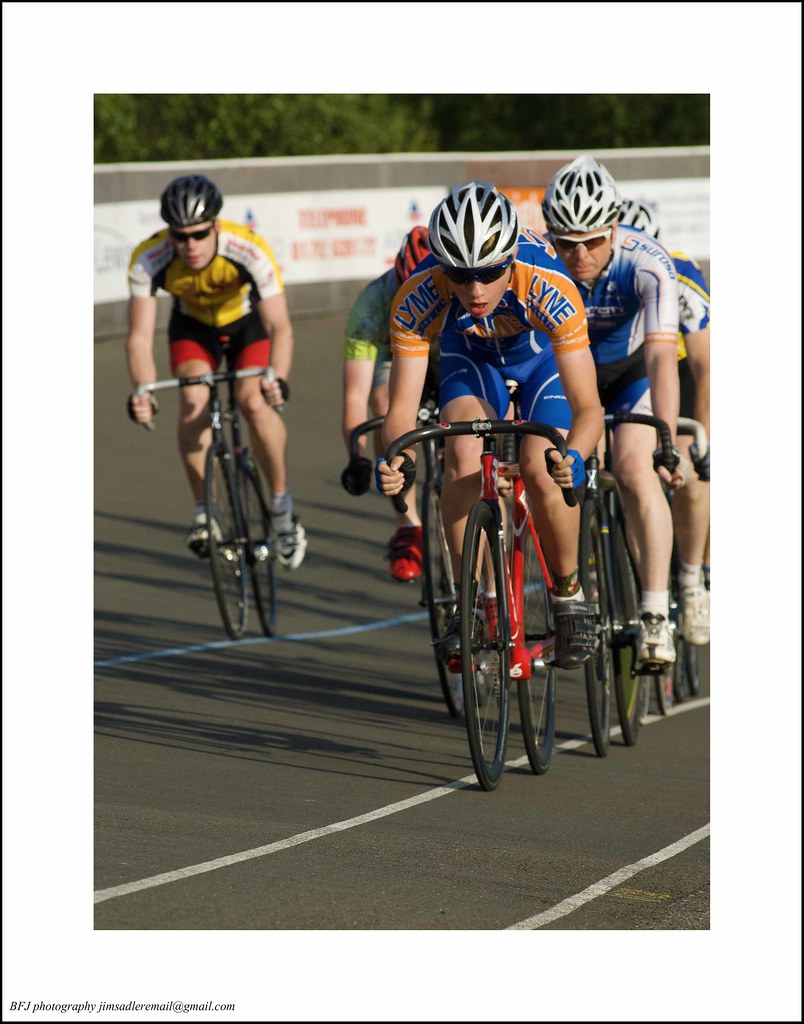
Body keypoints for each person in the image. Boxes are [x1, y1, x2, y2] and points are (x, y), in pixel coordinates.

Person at [377, 181, 604, 670]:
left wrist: (573, 456)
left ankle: (568, 596)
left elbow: (589, 408)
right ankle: (472, 602)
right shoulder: (417, 295)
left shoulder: (547, 283)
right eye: (460, 275)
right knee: (459, 454)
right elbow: (402, 410)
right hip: (473, 362)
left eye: (489, 272)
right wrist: (399, 459)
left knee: (542, 466)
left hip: (540, 363)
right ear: (441, 266)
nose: (475, 290)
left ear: (510, 259)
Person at [542, 155, 685, 669]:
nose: (578, 255)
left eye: (593, 241)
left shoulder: (647, 262)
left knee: (632, 467)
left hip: (629, 374)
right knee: (556, 468)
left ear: (615, 229)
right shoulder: (536, 259)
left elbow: (661, 357)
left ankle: (652, 614)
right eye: (565, 243)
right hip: (564, 374)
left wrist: (665, 437)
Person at [125, 173, 307, 570]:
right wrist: (143, 390)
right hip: (193, 328)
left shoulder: (249, 248)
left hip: (246, 325)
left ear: (217, 227)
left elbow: (280, 327)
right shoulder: (149, 257)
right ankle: (205, 512)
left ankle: (281, 508)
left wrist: (278, 378)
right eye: (180, 236)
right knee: (192, 399)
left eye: (199, 234)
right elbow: (139, 338)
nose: (189, 245)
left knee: (254, 401)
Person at [618, 198, 710, 645]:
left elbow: (707, 369)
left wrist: (701, 440)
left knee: (693, 475)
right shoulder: (597, 277)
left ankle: (692, 580)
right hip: (632, 375)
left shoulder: (678, 274)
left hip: (679, 374)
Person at [340, 226, 434, 582]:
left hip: (449, 354)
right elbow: (355, 395)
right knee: (383, 402)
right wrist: (357, 456)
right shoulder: (372, 304)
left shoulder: (459, 286)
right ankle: (407, 522)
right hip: (399, 356)